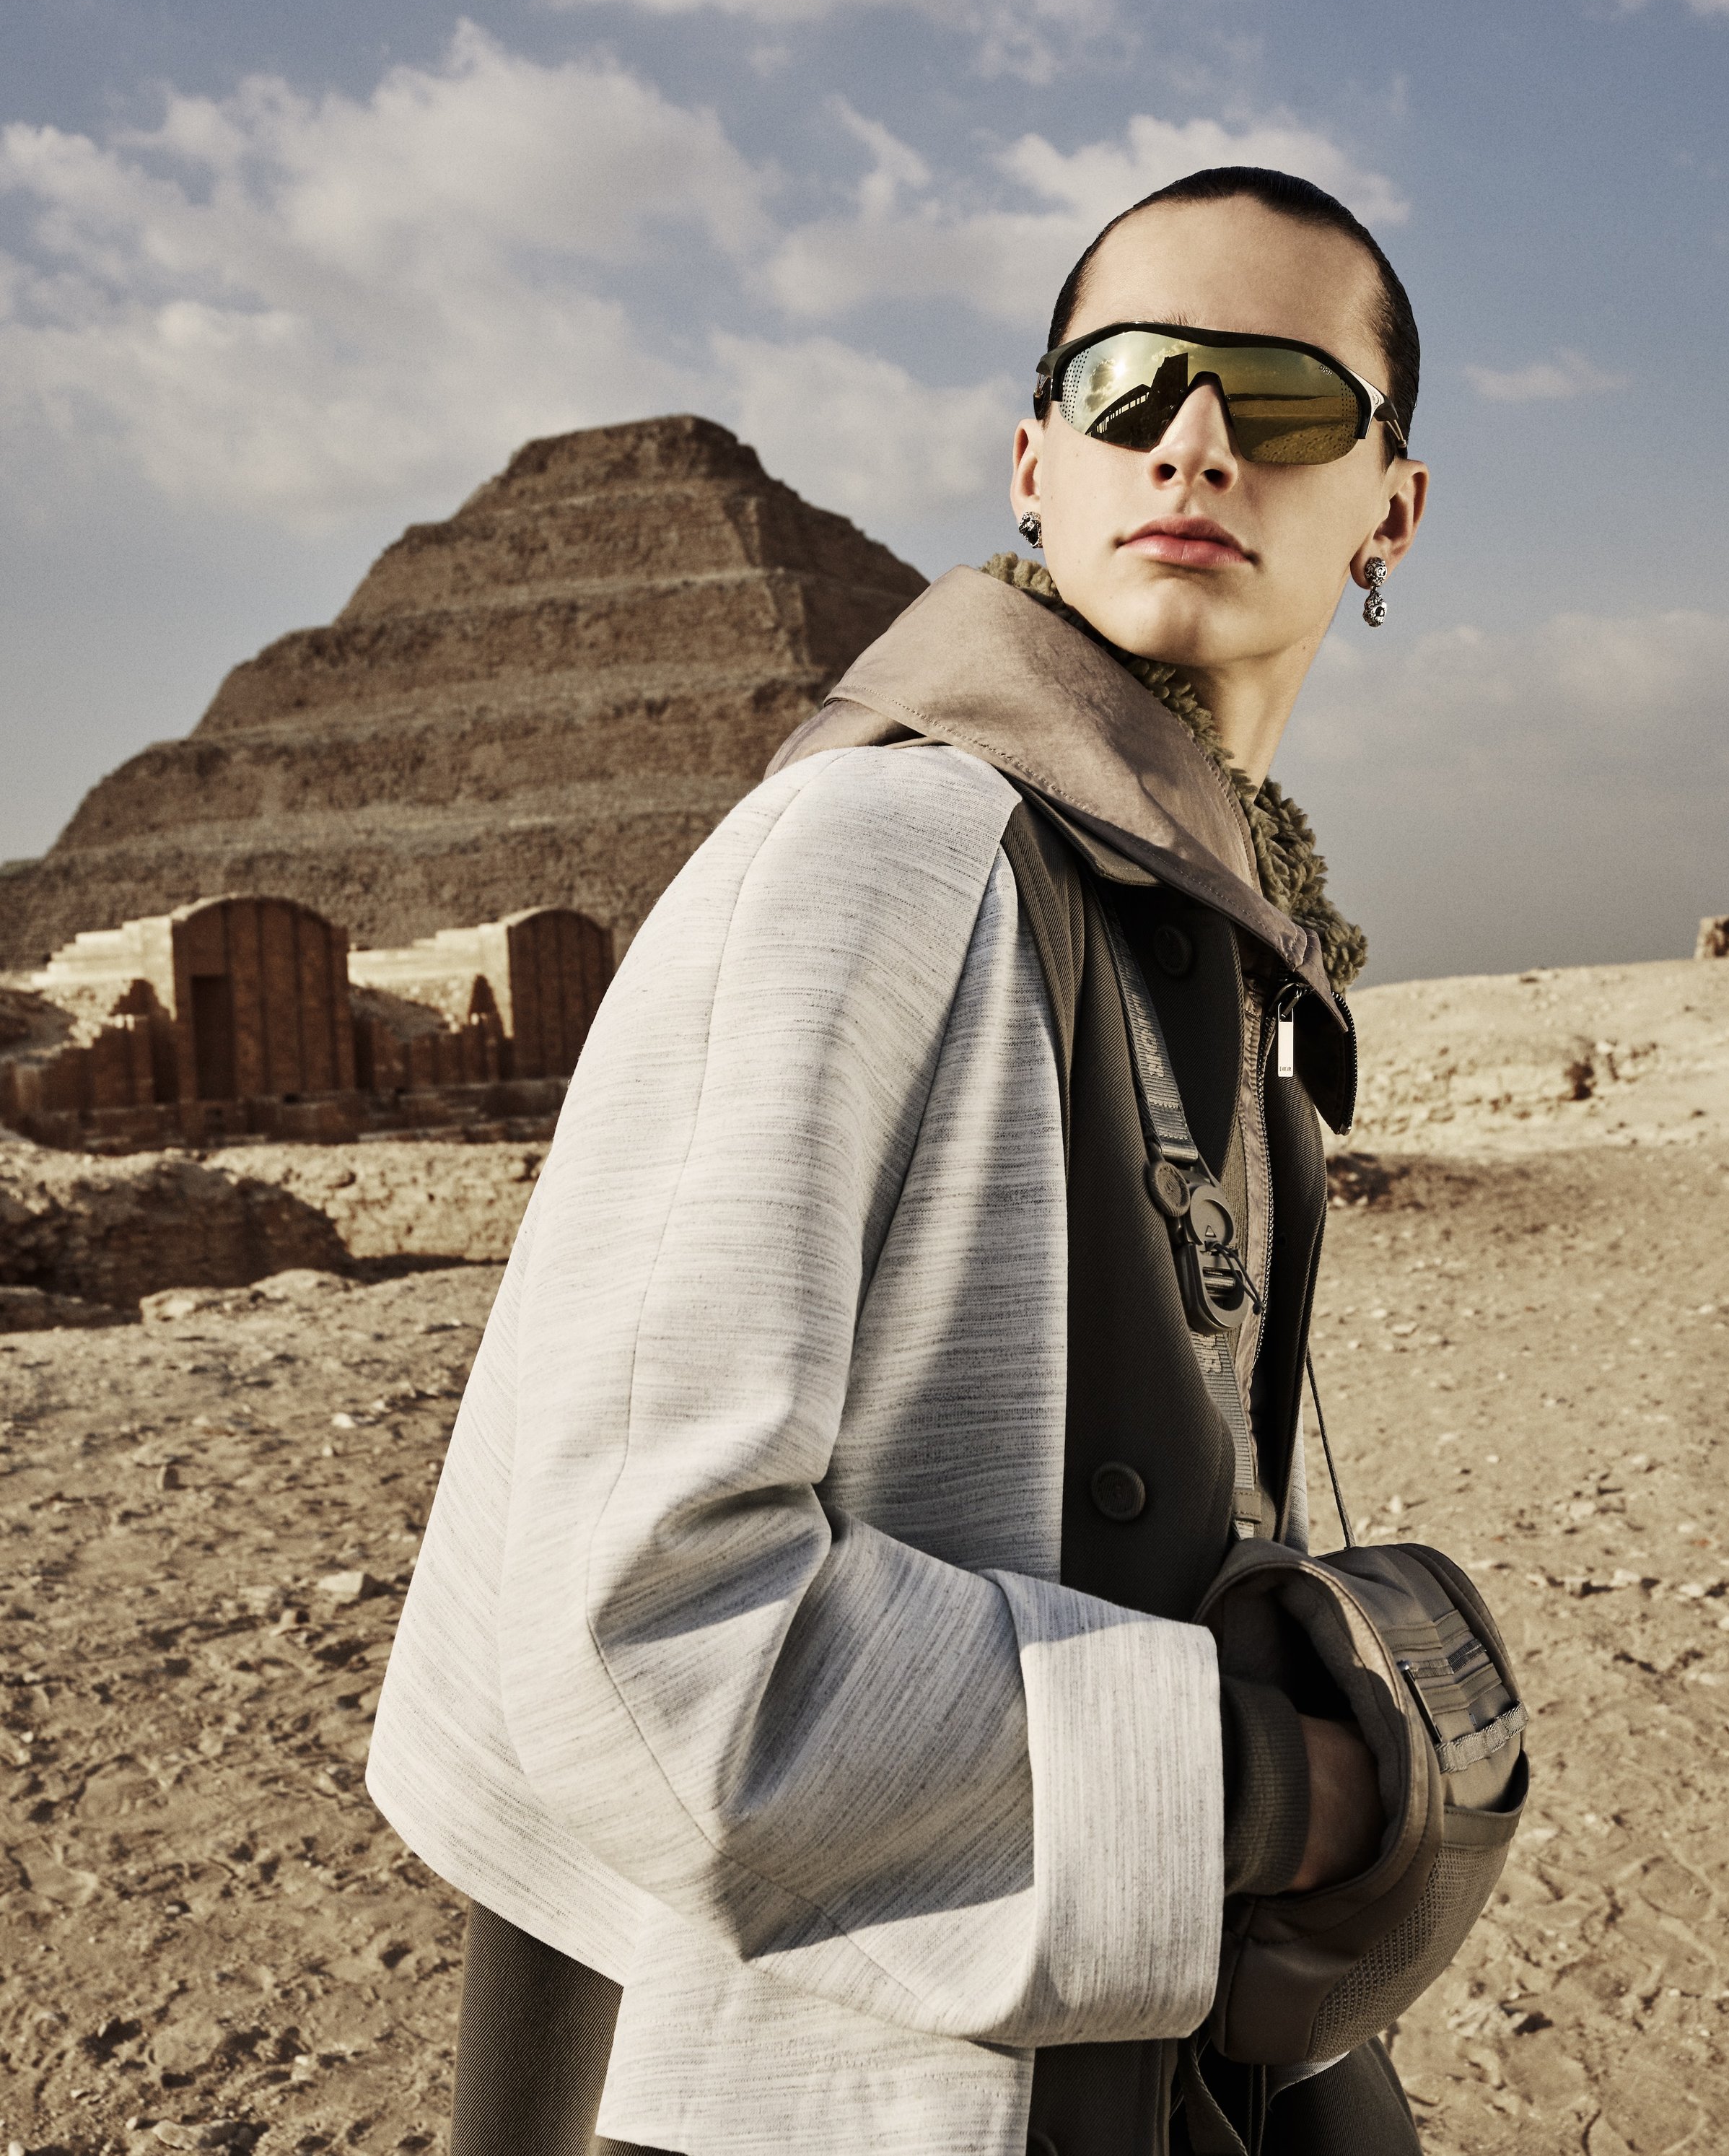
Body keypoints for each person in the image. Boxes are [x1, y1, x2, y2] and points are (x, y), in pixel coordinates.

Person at [367, 164, 1432, 2156]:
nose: (1193, 440)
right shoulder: (880, 856)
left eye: (1285, 399)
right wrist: (1284, 1792)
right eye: (1129, 385)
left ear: (1393, 506)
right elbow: (635, 1632)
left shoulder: (1206, 937)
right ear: (1034, 463)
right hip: (835, 2083)